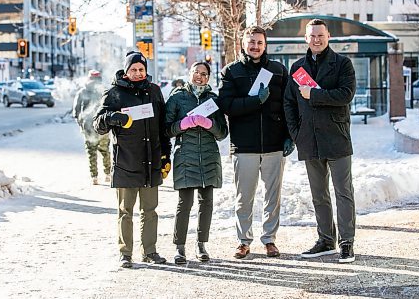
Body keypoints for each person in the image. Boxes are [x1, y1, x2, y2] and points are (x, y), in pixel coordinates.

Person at [283, 18, 356, 263]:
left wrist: (314, 94)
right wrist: (296, 133)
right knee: (319, 195)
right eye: (312, 36)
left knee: (343, 192)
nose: (316, 40)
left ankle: (346, 243)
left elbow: (346, 95)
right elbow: (289, 103)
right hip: (309, 139)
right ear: (306, 38)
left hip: (337, 138)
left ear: (328, 37)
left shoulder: (342, 64)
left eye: (320, 36)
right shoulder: (297, 68)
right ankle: (326, 240)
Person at [218, 25, 294, 259]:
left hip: (274, 144)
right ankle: (243, 241)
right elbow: (226, 106)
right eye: (251, 42)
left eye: (259, 42)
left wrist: (290, 135)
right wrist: (254, 101)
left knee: (273, 196)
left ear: (265, 44)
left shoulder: (279, 70)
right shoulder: (231, 71)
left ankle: (269, 240)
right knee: (244, 197)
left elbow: (289, 105)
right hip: (244, 145)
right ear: (243, 43)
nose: (255, 46)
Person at [93, 51, 172, 268]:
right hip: (126, 162)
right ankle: (125, 253)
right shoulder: (114, 94)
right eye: (133, 69)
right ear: (126, 71)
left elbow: (163, 127)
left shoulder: (154, 92)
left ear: (146, 71)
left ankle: (150, 251)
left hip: (151, 161)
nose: (138, 73)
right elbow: (98, 124)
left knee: (150, 210)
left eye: (141, 69)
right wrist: (114, 118)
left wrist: (166, 155)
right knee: (125, 211)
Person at [165, 62, 228, 264]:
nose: (199, 77)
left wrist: (209, 124)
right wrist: (183, 124)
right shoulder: (177, 98)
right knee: (185, 203)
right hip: (185, 156)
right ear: (189, 74)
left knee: (206, 203)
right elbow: (166, 129)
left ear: (208, 77)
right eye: (196, 73)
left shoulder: (213, 100)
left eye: (203, 74)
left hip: (209, 157)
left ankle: (201, 244)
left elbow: (222, 132)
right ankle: (179, 247)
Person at [72, 69, 111, 185]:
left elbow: (76, 112)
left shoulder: (82, 91)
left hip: (88, 128)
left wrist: (81, 124)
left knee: (91, 152)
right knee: (105, 151)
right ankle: (108, 174)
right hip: (103, 127)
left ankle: (94, 177)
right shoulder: (104, 91)